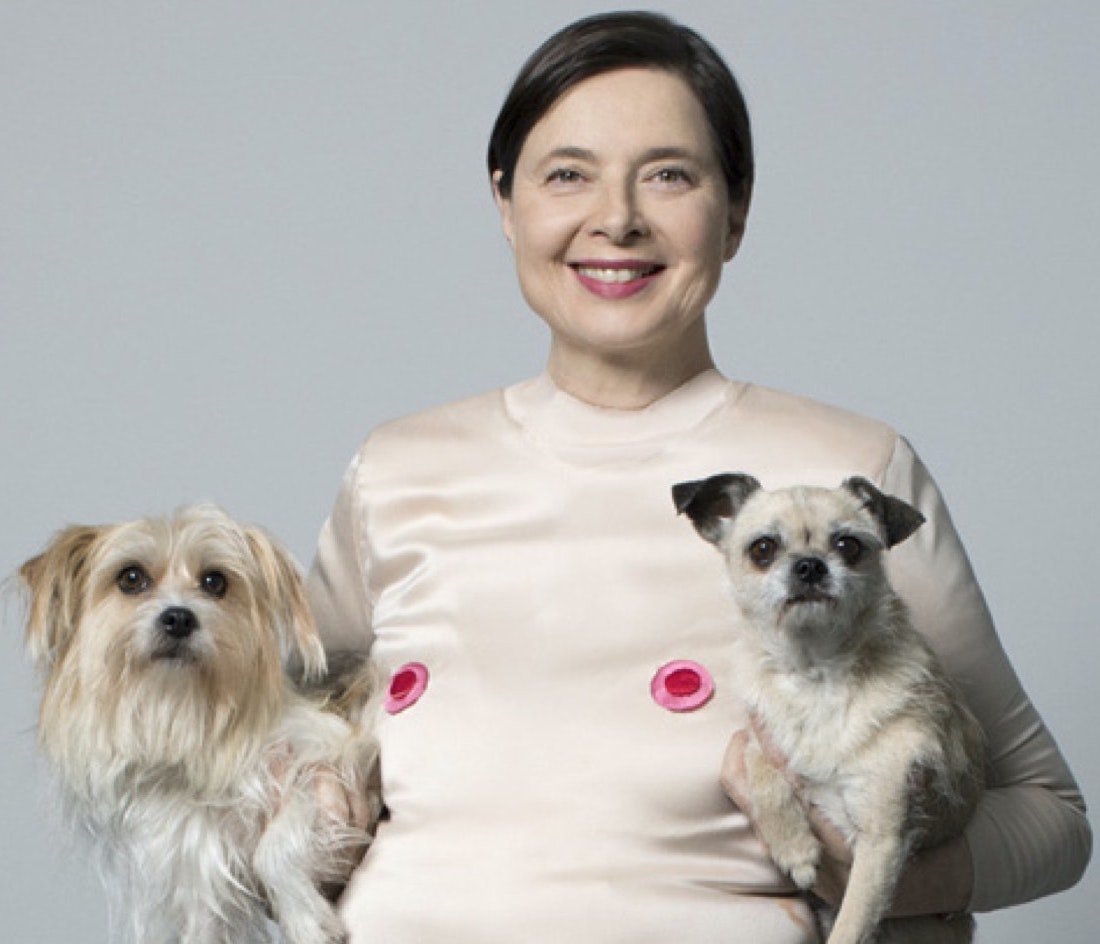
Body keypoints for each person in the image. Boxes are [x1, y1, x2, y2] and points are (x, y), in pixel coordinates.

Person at [306, 11, 1090, 942]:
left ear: (738, 209)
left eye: (670, 175)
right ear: (505, 202)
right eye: (568, 175)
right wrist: (304, 787)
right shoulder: (397, 468)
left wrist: (882, 874)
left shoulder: (849, 482)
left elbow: (1050, 816)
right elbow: (248, 720)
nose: (617, 219)